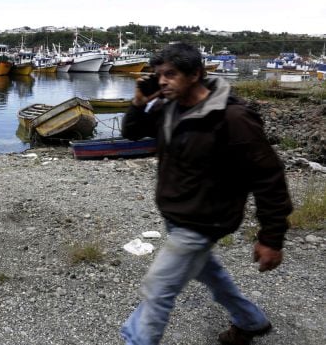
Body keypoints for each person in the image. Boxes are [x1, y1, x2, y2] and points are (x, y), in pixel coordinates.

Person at [119, 42, 292, 345]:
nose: (162, 81)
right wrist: (138, 102)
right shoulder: (167, 107)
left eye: (170, 74)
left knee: (158, 289)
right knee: (209, 273)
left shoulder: (233, 119)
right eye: (159, 75)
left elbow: (269, 179)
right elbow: (131, 133)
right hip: (175, 215)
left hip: (203, 222)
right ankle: (250, 321)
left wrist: (271, 238)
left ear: (196, 73)